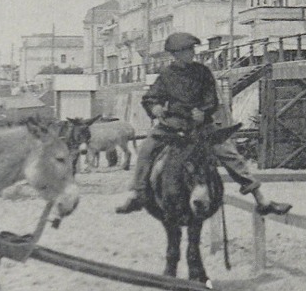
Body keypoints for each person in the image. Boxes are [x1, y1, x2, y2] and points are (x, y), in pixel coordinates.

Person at [117, 32, 290, 216]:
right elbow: (150, 98)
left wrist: (204, 110)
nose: (191, 53)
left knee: (229, 153)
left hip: (201, 127)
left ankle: (261, 199)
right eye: (186, 50)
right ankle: (137, 194)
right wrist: (155, 108)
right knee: (146, 149)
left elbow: (212, 99)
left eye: (192, 49)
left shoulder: (203, 72)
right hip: (173, 125)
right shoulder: (166, 75)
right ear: (175, 54)